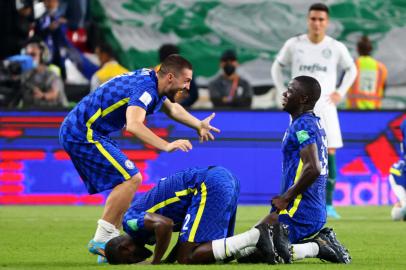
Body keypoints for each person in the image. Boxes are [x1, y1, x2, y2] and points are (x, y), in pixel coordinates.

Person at [59, 54, 220, 257]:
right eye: (186, 81)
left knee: (126, 180)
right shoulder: (145, 89)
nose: (188, 87)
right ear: (170, 77)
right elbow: (134, 125)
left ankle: (108, 244)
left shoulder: (156, 82)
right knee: (131, 178)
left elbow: (172, 109)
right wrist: (166, 145)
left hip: (91, 130)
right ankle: (102, 240)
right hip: (83, 131)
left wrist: (198, 124)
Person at [249, 76, 350, 264]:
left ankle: (318, 246)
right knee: (252, 246)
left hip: (300, 210)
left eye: (290, 90)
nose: (285, 93)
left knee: (256, 253)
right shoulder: (307, 122)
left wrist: (286, 197)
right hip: (300, 207)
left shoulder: (304, 125)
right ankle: (317, 244)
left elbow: (313, 168)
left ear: (303, 99)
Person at [271, 3, 357, 219]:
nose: (317, 23)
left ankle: (328, 204)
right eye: (313, 19)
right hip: (300, 111)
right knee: (298, 153)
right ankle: (293, 199)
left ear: (327, 22)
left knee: (329, 152)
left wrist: (340, 92)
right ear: (308, 20)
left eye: (321, 19)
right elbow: (276, 66)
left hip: (326, 107)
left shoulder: (335, 47)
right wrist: (283, 90)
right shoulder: (294, 44)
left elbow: (352, 69)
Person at [104, 166, 283, 265]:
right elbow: (185, 236)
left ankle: (257, 234)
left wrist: (156, 262)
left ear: (125, 249)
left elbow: (164, 225)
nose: (136, 262)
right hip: (223, 179)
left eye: (130, 261)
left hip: (208, 184)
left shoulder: (130, 222)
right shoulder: (145, 232)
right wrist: (168, 260)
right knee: (216, 254)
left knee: (188, 258)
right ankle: (275, 242)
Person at [20, 39, 68, 108]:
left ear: (42, 56)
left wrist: (43, 95)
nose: (29, 58)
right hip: (33, 115)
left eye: (33, 55)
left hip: (57, 114)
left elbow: (54, 93)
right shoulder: (26, 76)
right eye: (27, 55)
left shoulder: (52, 75)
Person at [346, 35, 388, 110]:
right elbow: (384, 89)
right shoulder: (381, 68)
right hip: (374, 111)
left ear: (357, 49)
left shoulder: (352, 66)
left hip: (354, 111)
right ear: (371, 49)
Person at [389, 119, 406, 221]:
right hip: (400, 175)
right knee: (397, 215)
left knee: (397, 215)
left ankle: (402, 205)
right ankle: (402, 205)